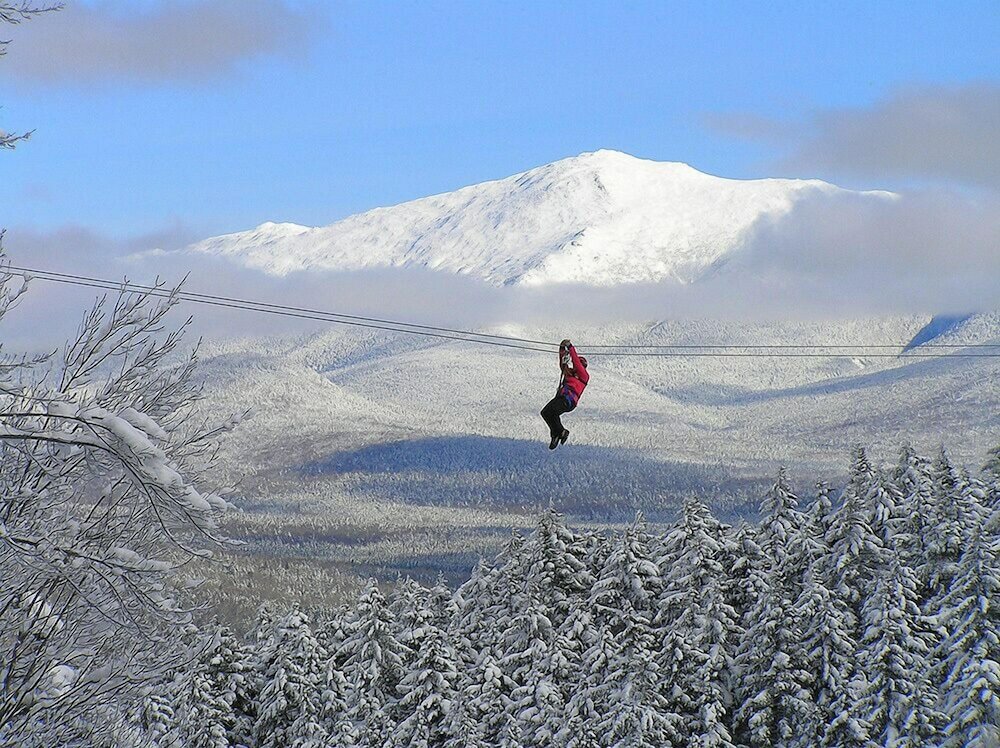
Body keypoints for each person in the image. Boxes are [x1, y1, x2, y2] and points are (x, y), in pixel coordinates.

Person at [540, 339, 589, 450]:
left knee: (552, 412)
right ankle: (556, 434)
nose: (576, 366)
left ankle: (561, 432)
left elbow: (576, 362)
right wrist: (562, 349)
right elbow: (563, 364)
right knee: (545, 413)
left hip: (568, 400)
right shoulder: (570, 373)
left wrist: (570, 347)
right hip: (562, 398)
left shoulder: (584, 376)